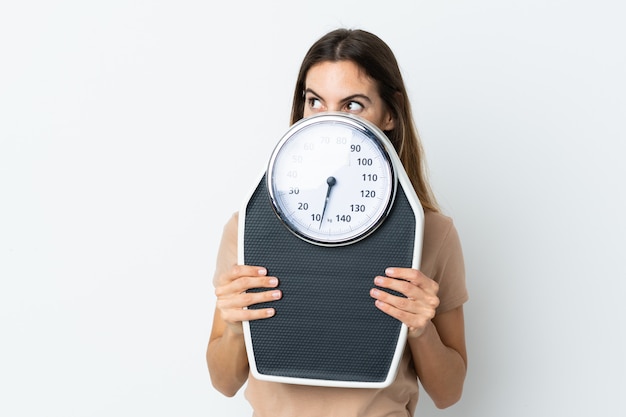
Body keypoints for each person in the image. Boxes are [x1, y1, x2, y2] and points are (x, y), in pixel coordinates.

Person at [206, 28, 468, 416]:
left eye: (353, 105)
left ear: (391, 113)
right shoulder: (249, 226)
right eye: (315, 101)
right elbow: (224, 383)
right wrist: (233, 326)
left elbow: (449, 393)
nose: (330, 121)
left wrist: (420, 329)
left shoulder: (432, 233)